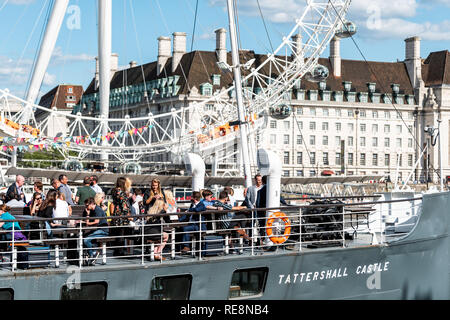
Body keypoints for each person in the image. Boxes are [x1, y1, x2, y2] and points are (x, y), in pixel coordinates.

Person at [82, 198, 109, 266]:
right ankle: (91, 253)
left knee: (86, 240)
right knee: (83, 238)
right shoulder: (92, 211)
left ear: (91, 204)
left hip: (103, 231)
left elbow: (96, 222)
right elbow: (89, 222)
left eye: (87, 205)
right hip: (97, 230)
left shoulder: (97, 210)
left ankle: (93, 254)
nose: (86, 207)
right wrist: (87, 215)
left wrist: (87, 221)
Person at [110, 177, 132, 256]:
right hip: (122, 215)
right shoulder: (121, 192)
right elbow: (124, 205)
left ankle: (116, 250)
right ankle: (120, 251)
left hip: (116, 214)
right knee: (121, 234)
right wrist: (128, 214)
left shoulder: (114, 190)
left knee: (118, 233)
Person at [144, 195, 169, 261]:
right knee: (166, 236)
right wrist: (165, 210)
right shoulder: (161, 212)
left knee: (159, 236)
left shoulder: (151, 211)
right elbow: (168, 221)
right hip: (154, 234)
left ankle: (155, 254)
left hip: (146, 233)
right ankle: (158, 254)